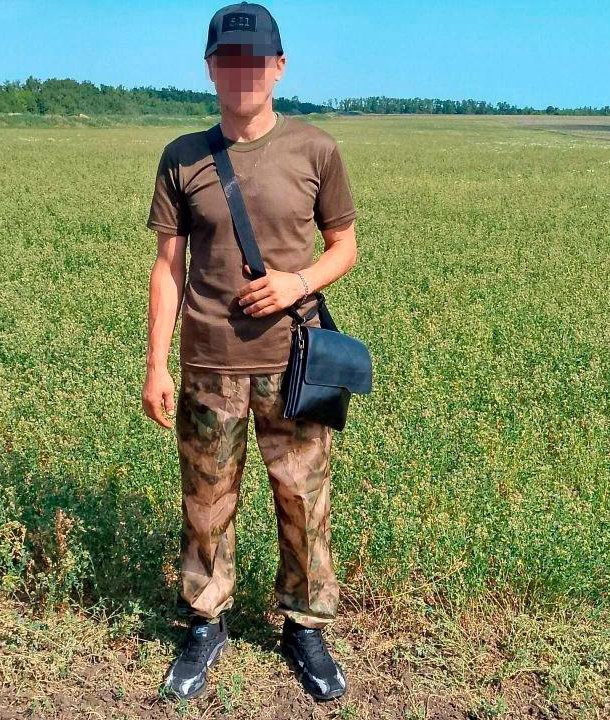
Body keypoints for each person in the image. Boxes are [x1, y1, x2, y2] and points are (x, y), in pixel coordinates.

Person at [141, 1, 358, 703]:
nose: (243, 74)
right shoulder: (183, 157)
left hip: (296, 365)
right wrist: (156, 364)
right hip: (209, 366)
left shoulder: (315, 150)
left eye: (256, 61)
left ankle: (305, 628)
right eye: (229, 61)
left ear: (279, 66)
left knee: (304, 500)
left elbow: (344, 247)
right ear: (210, 69)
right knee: (206, 504)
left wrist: (297, 282)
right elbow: (167, 267)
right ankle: (206, 623)